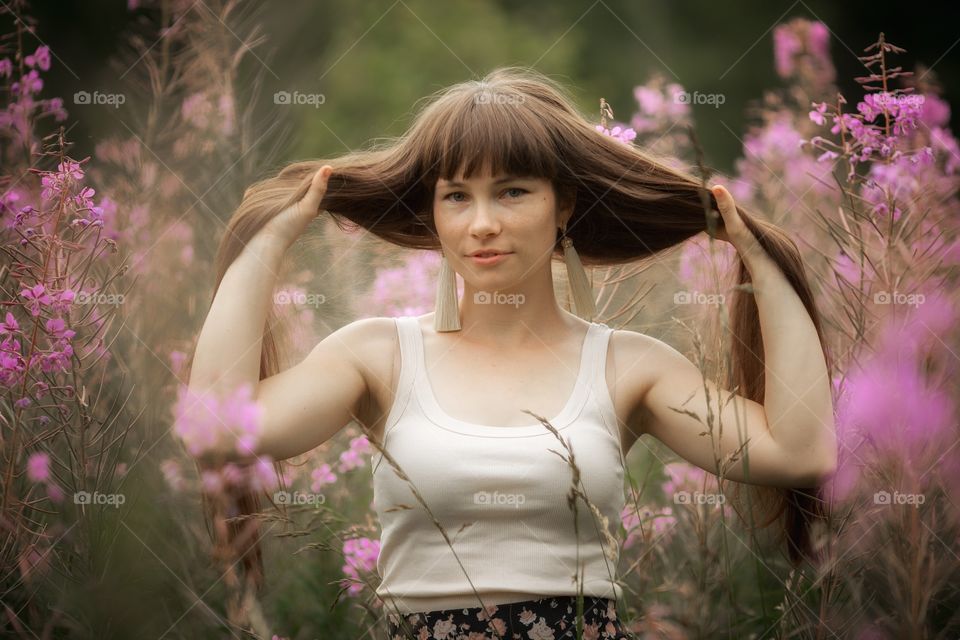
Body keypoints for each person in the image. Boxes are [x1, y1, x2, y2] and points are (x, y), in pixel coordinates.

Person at [187, 66, 838, 639]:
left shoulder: (628, 367)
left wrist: (760, 256)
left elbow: (800, 451)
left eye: (512, 191)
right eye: (456, 196)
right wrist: (268, 241)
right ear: (433, 215)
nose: (482, 224)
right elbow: (215, 430)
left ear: (564, 205)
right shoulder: (378, 355)